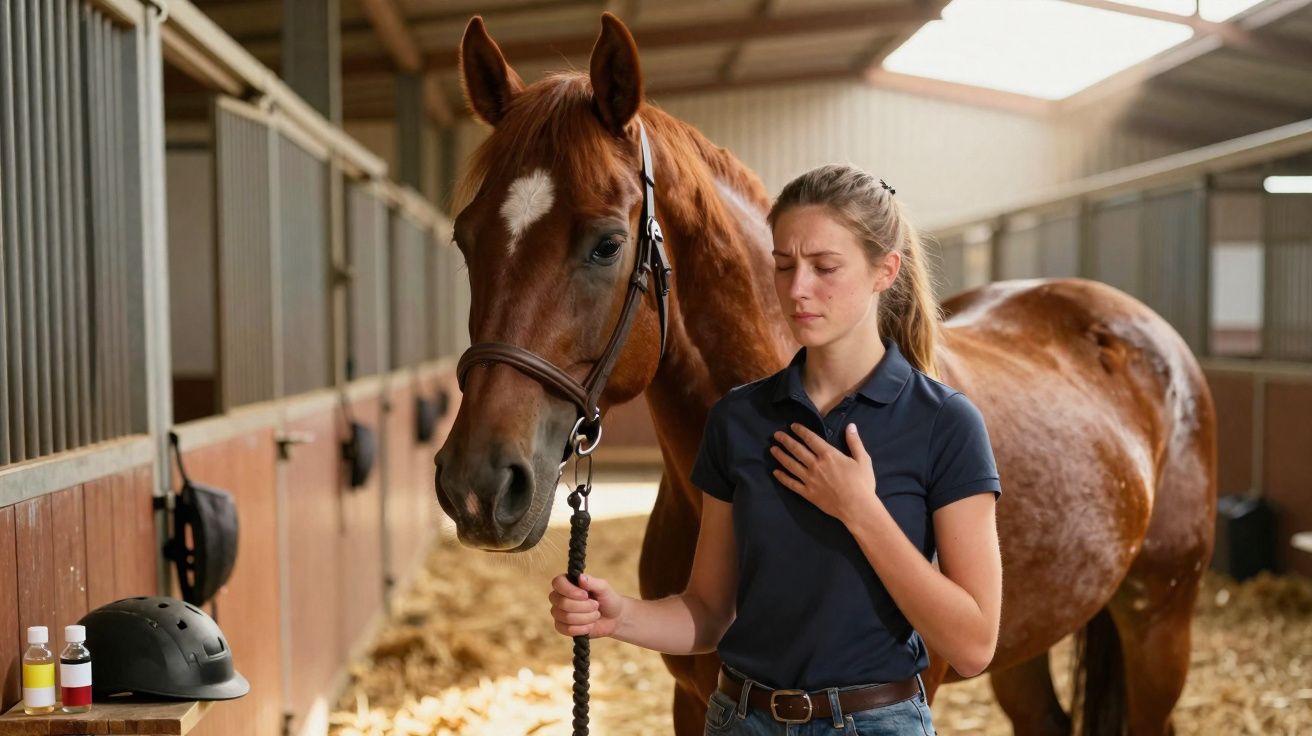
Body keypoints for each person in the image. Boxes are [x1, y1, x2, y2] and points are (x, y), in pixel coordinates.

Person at [549, 164, 1003, 735]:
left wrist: (861, 512)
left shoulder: (944, 423)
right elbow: (709, 612)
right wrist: (620, 616)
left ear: (885, 271)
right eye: (784, 265)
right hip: (741, 721)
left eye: (824, 267)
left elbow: (972, 645)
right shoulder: (739, 419)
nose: (796, 289)